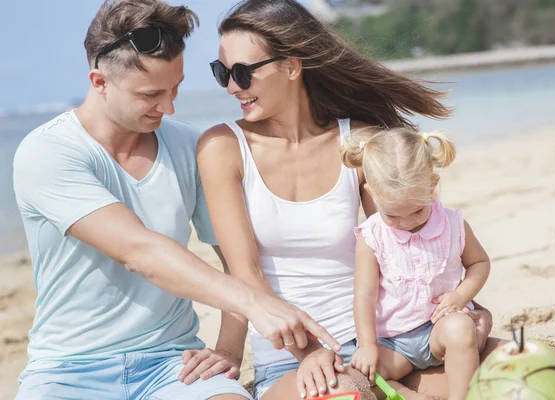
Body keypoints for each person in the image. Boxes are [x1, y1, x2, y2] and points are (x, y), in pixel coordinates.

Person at [12, 1, 340, 399]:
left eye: (176, 88)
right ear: (99, 82)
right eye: (151, 94)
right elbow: (140, 251)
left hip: (174, 366)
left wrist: (230, 349)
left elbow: (233, 257)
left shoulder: (187, 144)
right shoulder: (48, 152)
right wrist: (257, 305)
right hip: (69, 371)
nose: (168, 107)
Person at [188, 1, 497, 399]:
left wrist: (467, 308)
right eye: (222, 73)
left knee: (541, 370)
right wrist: (311, 351)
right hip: (292, 358)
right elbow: (245, 273)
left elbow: (407, 239)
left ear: (292, 66)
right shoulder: (221, 147)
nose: (232, 87)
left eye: (243, 73)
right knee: (350, 394)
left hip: (388, 342)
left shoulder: (359, 141)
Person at [343, 128, 490, 400]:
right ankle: (407, 393)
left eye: (417, 211)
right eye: (393, 215)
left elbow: (479, 263)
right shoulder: (372, 235)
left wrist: (461, 295)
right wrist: (367, 345)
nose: (407, 223)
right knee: (355, 378)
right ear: (372, 193)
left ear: (432, 185)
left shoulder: (453, 224)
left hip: (439, 331)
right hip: (394, 342)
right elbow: (364, 295)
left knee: (460, 329)